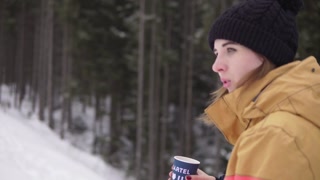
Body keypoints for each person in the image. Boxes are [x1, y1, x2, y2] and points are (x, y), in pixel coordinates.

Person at [168, 0, 320, 179]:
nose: (216, 66)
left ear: (265, 53)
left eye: (231, 50)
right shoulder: (290, 118)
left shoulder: (275, 134)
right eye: (217, 53)